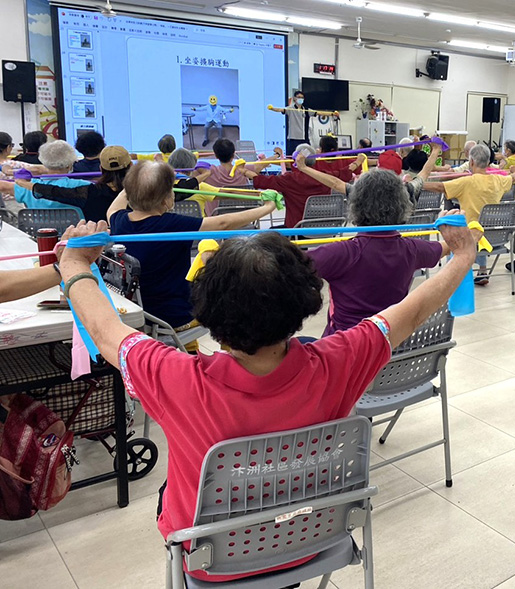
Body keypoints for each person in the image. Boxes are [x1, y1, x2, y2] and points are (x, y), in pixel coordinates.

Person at [55, 210, 475, 583]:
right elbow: (413, 311)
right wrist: (462, 255)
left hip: (210, 559)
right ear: (303, 303)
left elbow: (105, 331)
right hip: (311, 540)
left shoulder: (173, 376)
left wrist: (74, 264)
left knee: (172, 491)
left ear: (209, 310)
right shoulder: (341, 360)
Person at [106, 161, 276, 343]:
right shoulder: (172, 224)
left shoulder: (119, 221)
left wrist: (134, 187)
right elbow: (223, 223)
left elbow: (112, 209)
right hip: (175, 315)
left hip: (140, 313)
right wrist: (267, 208)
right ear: (165, 200)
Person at [306, 170, 475, 336]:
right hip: (392, 342)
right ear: (402, 205)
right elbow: (447, 247)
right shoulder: (412, 249)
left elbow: (294, 267)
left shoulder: (342, 253)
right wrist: (469, 235)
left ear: (355, 205)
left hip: (344, 347)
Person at [423, 144, 515, 285]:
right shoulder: (499, 180)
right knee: (479, 224)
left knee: (466, 227)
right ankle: (482, 270)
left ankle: (453, 273)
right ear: (488, 162)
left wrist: (416, 183)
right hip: (496, 238)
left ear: (471, 162)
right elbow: (512, 177)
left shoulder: (467, 182)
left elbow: (440, 187)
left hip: (470, 238)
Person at [238, 136, 362, 228]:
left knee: (271, 234)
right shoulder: (326, 177)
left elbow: (259, 180)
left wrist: (243, 171)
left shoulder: (289, 179)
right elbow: (344, 173)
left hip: (297, 228)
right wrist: (359, 161)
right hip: (324, 227)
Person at [14, 145, 132, 223]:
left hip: (101, 246)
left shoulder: (89, 192)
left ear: (101, 168)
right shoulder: (139, 190)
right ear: (131, 165)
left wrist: (23, 183)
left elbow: (54, 192)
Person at [295, 143, 441, 203]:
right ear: (398, 172)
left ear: (377, 167)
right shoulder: (407, 190)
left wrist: (304, 168)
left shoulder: (363, 191)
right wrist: (435, 150)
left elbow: (335, 183)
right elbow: (424, 174)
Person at [1, 140, 90, 219]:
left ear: (43, 161)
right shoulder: (83, 186)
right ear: (69, 164)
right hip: (76, 231)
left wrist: (4, 168)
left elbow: (3, 186)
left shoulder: (27, 186)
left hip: (38, 231)